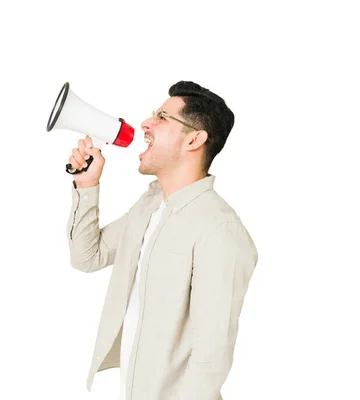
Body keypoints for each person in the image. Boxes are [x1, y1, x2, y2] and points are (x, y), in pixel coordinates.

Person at [66, 81, 258, 400]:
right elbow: (87, 257)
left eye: (162, 117)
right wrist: (87, 184)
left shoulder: (219, 229)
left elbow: (211, 361)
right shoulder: (150, 206)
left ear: (194, 140)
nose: (145, 123)